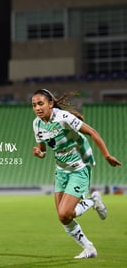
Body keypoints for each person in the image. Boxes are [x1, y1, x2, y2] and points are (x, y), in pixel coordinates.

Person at [31, 89, 122, 259]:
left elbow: (93, 132)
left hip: (79, 166)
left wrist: (107, 155)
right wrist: (39, 153)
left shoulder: (63, 118)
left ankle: (92, 200)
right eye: (34, 105)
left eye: (40, 103)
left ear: (50, 104)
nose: (37, 107)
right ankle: (89, 248)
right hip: (61, 170)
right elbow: (43, 149)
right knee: (63, 217)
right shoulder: (37, 124)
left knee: (64, 213)